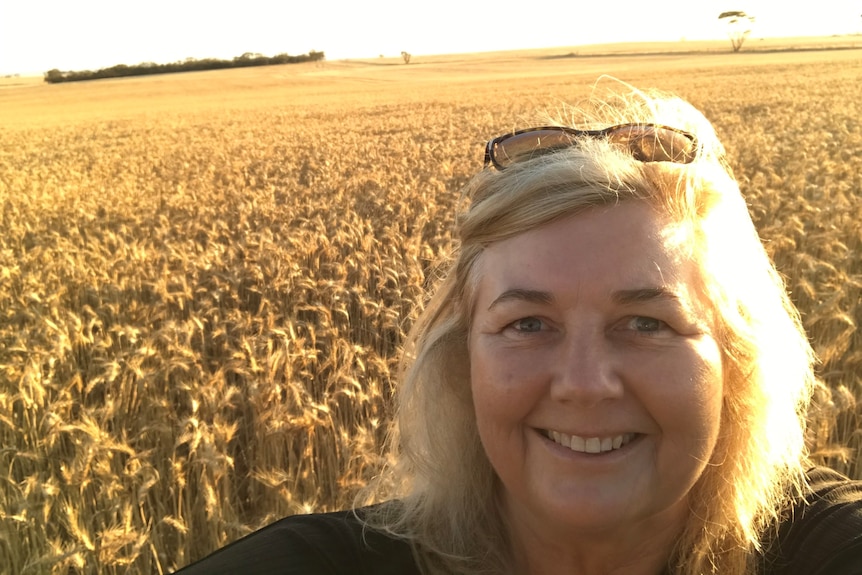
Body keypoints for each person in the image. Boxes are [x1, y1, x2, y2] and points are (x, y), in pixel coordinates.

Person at [174, 85, 862, 575]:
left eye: (646, 322)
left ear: (734, 358)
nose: (584, 384)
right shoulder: (321, 562)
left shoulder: (822, 545)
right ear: (460, 359)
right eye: (527, 322)